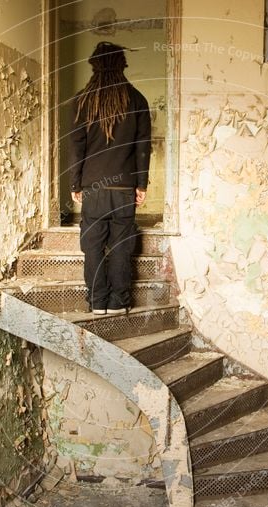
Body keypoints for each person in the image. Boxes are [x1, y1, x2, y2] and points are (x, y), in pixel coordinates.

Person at [67, 41, 151, 315]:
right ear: (121, 65)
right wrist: (141, 185)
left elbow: (77, 146)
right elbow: (142, 146)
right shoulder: (137, 99)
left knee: (92, 246)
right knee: (121, 247)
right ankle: (119, 302)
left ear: (94, 66)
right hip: (124, 187)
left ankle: (97, 302)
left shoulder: (82, 101)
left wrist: (75, 183)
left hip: (94, 188)